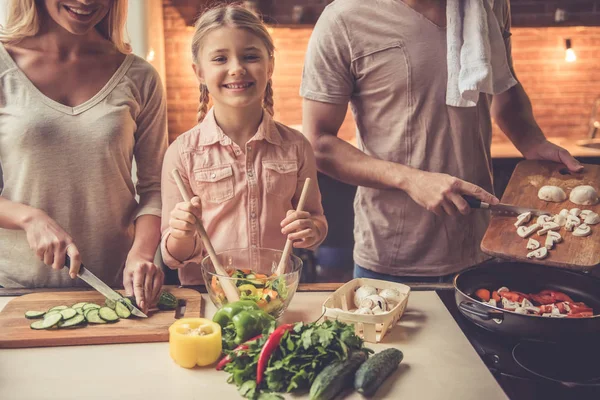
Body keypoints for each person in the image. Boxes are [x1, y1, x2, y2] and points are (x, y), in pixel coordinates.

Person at [300, 0, 583, 282]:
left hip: (483, 247)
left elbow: (503, 85)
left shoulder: (489, 5)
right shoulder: (344, 18)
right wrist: (410, 179)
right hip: (394, 258)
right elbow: (318, 142)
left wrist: (532, 141)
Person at [0, 0, 167, 312]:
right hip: (15, 292)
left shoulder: (141, 77)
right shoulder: (3, 67)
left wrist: (142, 253)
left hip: (115, 289)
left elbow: (155, 188)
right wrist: (29, 218)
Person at [160, 4, 328, 285]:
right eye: (220, 59)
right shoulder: (181, 153)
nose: (236, 69)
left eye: (250, 56)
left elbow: (316, 223)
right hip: (208, 300)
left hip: (275, 294)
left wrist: (311, 230)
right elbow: (174, 256)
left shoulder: (296, 146)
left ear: (270, 65)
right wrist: (181, 234)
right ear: (199, 72)